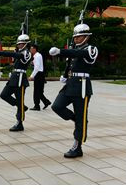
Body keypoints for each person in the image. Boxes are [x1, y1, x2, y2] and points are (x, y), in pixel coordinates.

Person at [49, 20, 99, 158]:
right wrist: (65, 76)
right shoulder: (75, 50)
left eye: (79, 36)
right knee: (57, 106)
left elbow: (79, 55)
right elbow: (70, 64)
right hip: (70, 84)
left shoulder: (90, 49)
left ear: (87, 37)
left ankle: (77, 147)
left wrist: (61, 51)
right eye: (75, 36)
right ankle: (76, 118)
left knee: (81, 118)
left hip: (82, 86)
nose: (76, 38)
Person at [0, 32, 32, 132]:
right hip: (14, 78)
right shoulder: (19, 52)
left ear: (26, 44)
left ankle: (19, 122)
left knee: (20, 99)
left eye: (21, 43)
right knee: (4, 95)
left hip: (21, 79)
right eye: (18, 43)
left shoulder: (27, 53)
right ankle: (21, 106)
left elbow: (23, 59)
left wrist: (1, 53)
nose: (19, 45)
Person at [29, 44, 50, 110]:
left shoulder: (37, 56)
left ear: (35, 49)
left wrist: (32, 76)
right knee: (39, 91)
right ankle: (46, 102)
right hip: (41, 74)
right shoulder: (37, 55)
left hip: (38, 74)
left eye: (31, 48)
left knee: (36, 91)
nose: (30, 50)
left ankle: (37, 106)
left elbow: (37, 68)